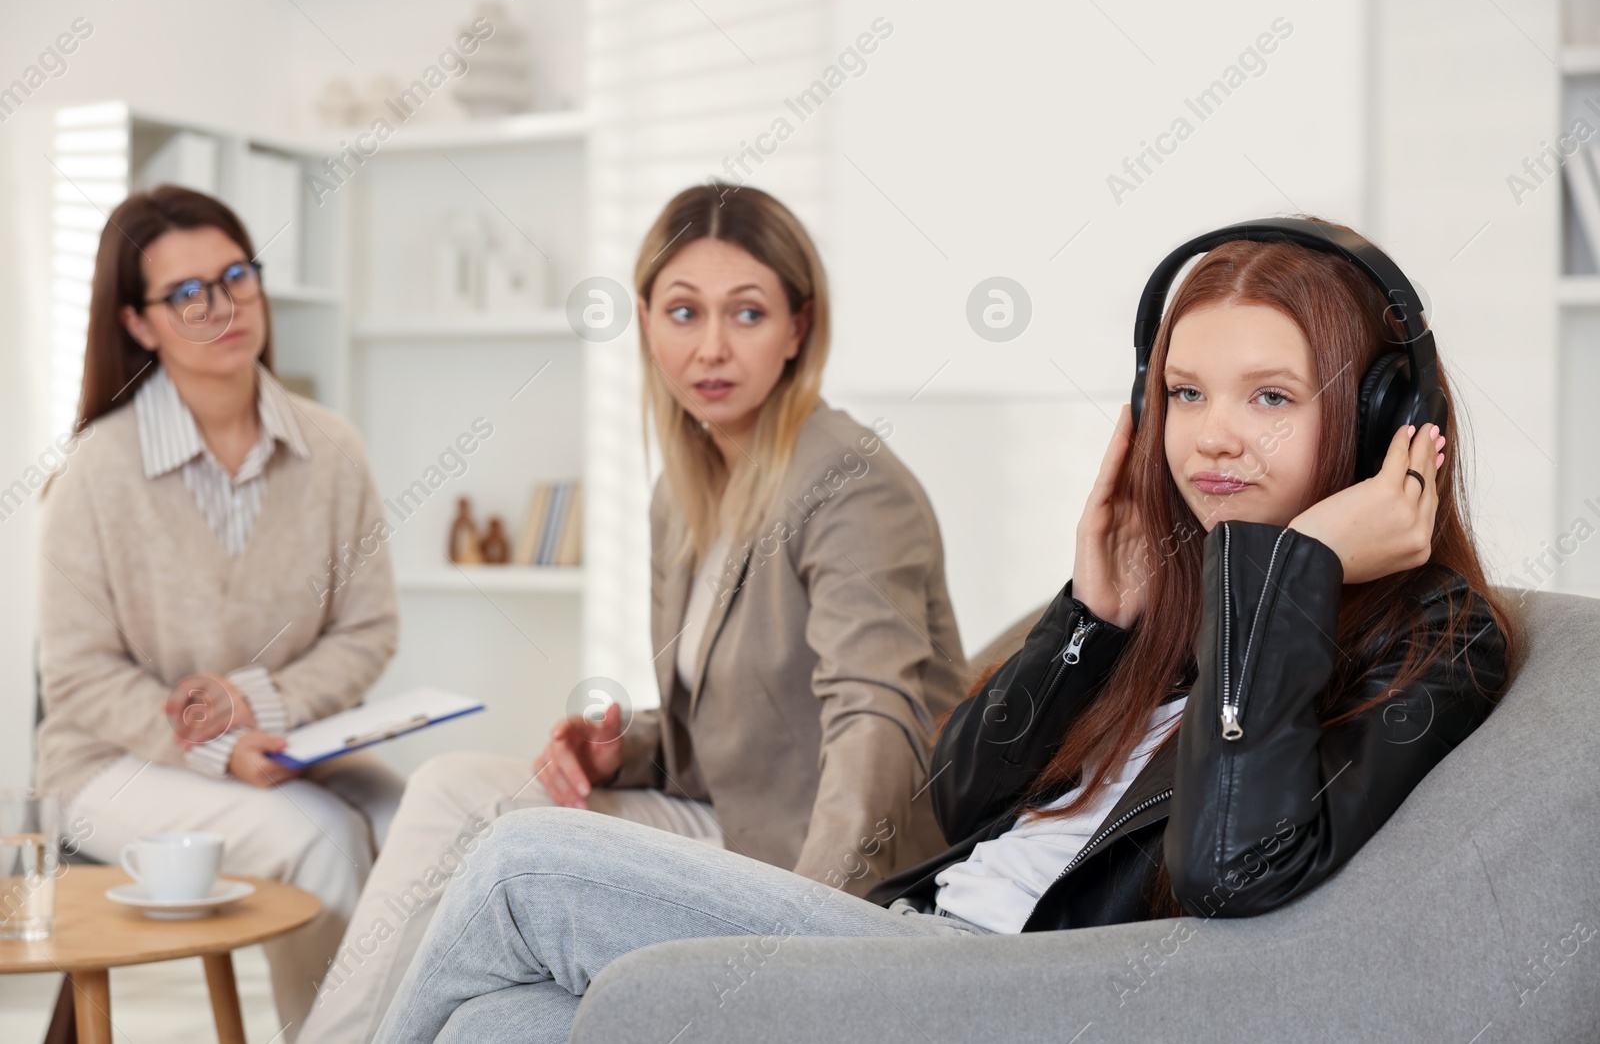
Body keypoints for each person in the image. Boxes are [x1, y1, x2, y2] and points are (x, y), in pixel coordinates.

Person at [369, 216, 1519, 1044]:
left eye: (1268, 396)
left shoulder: (1435, 638)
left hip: (999, 993)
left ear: (1381, 420)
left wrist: (1294, 575)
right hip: (918, 929)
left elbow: (1227, 871)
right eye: (1183, 393)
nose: (1212, 436)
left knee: (522, 858)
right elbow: (953, 799)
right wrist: (1090, 620)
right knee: (499, 1018)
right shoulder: (1174, 589)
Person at [298, 183, 968, 1043]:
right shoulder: (683, 493)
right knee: (449, 788)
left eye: (748, 313)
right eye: (684, 311)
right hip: (732, 822)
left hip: (818, 873)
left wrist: (810, 934)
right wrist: (625, 747)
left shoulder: (847, 481)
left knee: (483, 830)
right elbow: (726, 729)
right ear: (647, 319)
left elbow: (876, 721)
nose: (712, 347)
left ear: (799, 328)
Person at [34, 185, 404, 1040]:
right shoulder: (98, 471)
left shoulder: (331, 447)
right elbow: (81, 678)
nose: (223, 307)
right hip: (109, 766)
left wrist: (259, 715)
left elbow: (368, 628)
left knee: (409, 817)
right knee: (318, 838)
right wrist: (220, 747)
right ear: (139, 322)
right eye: (187, 293)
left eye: (236, 275)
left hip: (285, 744)